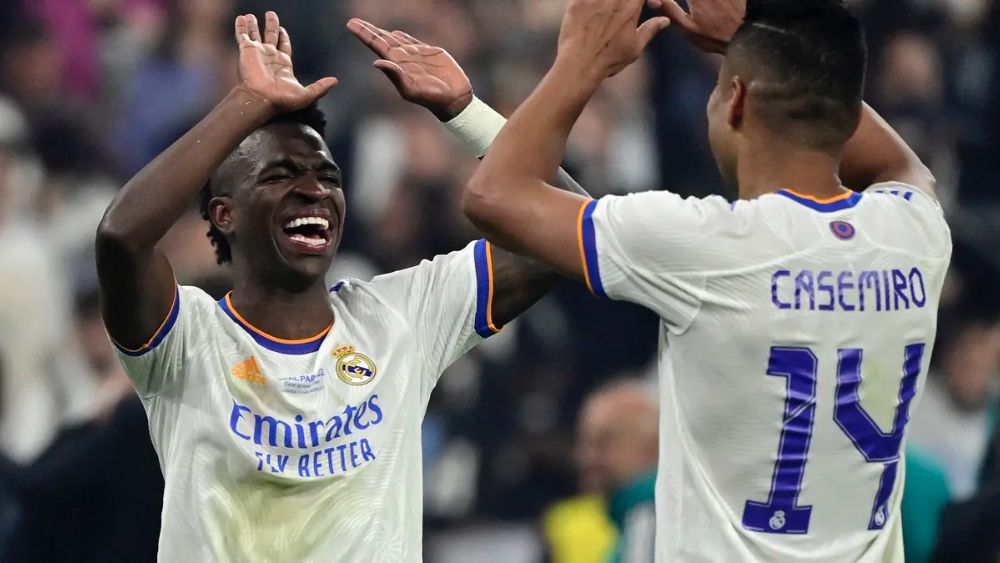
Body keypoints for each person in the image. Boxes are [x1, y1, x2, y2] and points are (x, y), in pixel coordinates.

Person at [461, 0, 951, 560]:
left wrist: (580, 61)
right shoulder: (914, 234)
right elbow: (903, 166)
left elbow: (494, 195)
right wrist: (766, 54)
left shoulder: (704, 245)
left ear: (737, 99)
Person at [96, 12, 585, 561]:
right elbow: (121, 239)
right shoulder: (188, 339)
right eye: (280, 175)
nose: (314, 191)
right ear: (224, 214)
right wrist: (248, 103)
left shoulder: (401, 318)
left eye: (328, 177)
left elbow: (567, 231)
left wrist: (465, 115)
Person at [576, 380, 658, 562]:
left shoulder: (649, 521)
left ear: (653, 446)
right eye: (586, 443)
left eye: (603, 442)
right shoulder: (630, 524)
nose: (587, 458)